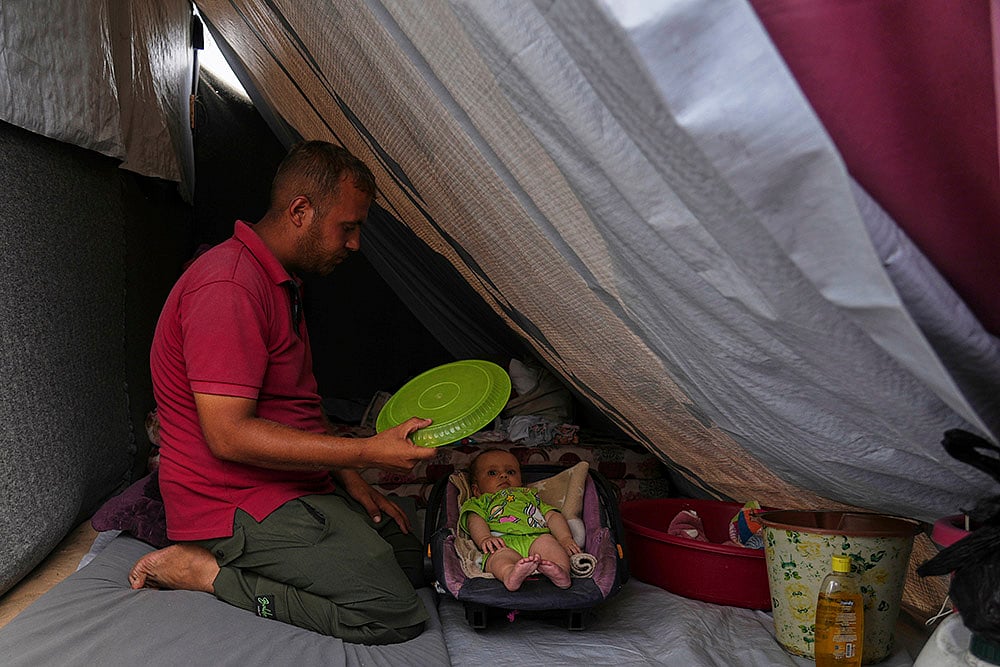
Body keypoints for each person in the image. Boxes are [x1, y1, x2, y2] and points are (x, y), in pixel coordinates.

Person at [127, 140, 439, 645]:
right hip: (234, 504)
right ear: (300, 211)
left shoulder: (279, 280)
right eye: (349, 227)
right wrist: (364, 449)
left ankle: (330, 532)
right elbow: (228, 436)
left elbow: (294, 407)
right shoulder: (228, 285)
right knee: (390, 612)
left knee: (424, 555)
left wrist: (351, 477)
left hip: (293, 487)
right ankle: (207, 572)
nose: (356, 243)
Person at [459, 449, 581, 591]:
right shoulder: (482, 501)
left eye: (511, 472)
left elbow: (553, 516)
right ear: (476, 490)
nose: (504, 475)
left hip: (537, 538)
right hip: (501, 543)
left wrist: (565, 538)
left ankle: (561, 571)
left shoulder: (529, 496)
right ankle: (510, 574)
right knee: (499, 559)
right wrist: (484, 537)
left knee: (550, 545)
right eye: (492, 473)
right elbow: (475, 520)